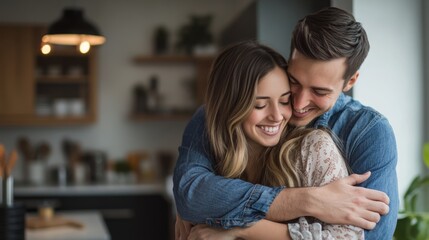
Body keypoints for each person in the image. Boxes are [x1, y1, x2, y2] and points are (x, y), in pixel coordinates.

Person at [173, 6, 398, 240]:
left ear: (350, 81)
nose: (298, 105)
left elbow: (372, 236)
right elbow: (191, 195)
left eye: (319, 91)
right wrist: (309, 200)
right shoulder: (217, 116)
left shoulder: (368, 132)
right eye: (294, 82)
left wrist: (234, 222)